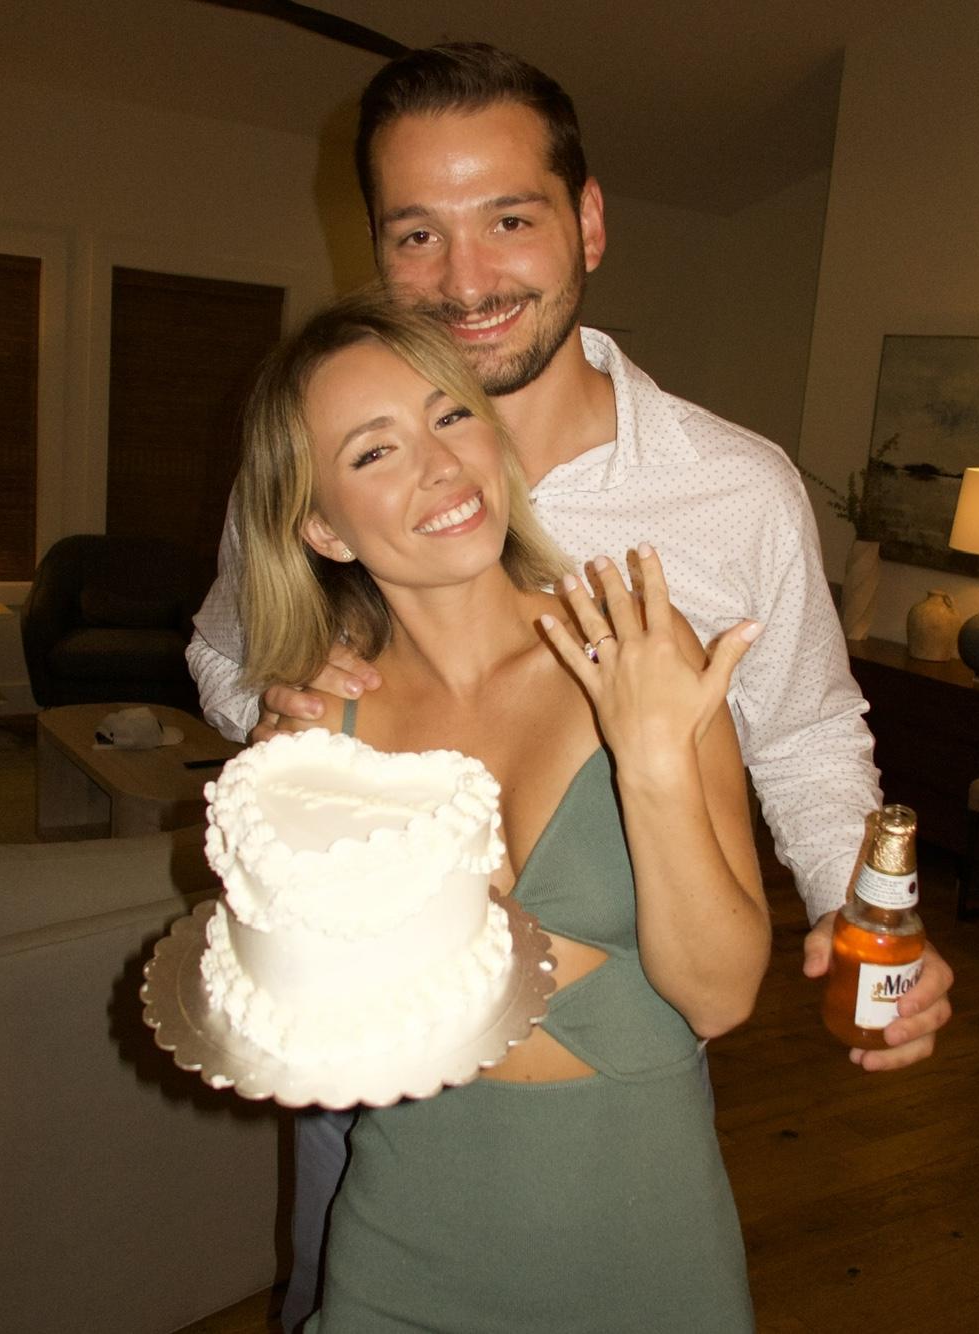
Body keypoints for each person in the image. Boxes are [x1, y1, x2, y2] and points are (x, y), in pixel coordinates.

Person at [187, 42, 954, 1327]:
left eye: (508, 219)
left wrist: (858, 911)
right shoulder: (315, 468)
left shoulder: (730, 488)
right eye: (418, 233)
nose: (464, 278)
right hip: (377, 1079)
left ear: (587, 222)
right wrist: (283, 708)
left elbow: (807, 732)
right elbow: (223, 646)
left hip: (623, 1100)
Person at [234, 288, 768, 1332]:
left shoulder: (644, 652)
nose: (439, 464)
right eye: (374, 451)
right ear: (322, 527)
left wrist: (652, 760)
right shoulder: (323, 732)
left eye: (451, 414)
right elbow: (303, 1032)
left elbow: (718, 997)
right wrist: (279, 834)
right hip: (404, 1241)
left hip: (645, 1239)